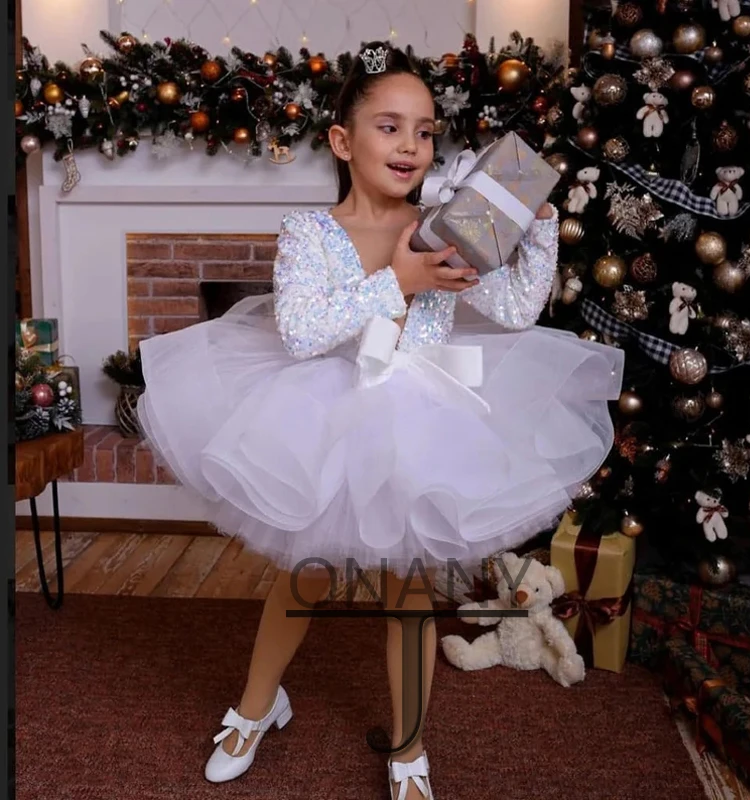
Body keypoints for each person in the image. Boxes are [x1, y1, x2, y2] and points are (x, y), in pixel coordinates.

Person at [137, 41, 624, 800]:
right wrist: (401, 276)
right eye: (390, 127)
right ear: (343, 140)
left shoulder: (444, 227)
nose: (411, 146)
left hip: (422, 421)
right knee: (303, 575)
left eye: (425, 131)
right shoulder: (310, 232)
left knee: (408, 592)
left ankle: (409, 747)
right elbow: (302, 330)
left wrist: (535, 230)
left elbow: (515, 310)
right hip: (325, 420)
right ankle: (258, 706)